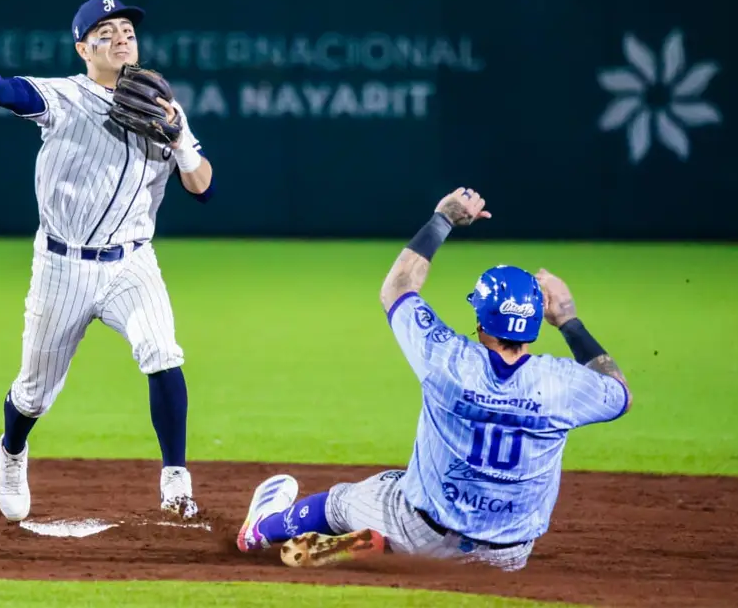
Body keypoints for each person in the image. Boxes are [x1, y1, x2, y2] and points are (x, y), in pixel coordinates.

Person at [0, 0, 214, 521]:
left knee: (162, 353)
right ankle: (11, 451)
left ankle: (175, 479)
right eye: (107, 31)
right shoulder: (62, 97)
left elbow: (204, 189)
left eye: (127, 30)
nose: (122, 37)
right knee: (33, 394)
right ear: (82, 48)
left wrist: (181, 143)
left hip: (132, 263)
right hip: (63, 265)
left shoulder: (165, 106)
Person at [235, 187, 631, 571]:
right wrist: (567, 317)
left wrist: (443, 219)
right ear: (534, 325)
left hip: (419, 532)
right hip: (505, 557)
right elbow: (619, 392)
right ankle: (377, 548)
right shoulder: (564, 384)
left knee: (343, 501)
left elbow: (398, 288)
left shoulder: (449, 359)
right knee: (403, 485)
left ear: (480, 320)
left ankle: (260, 530)